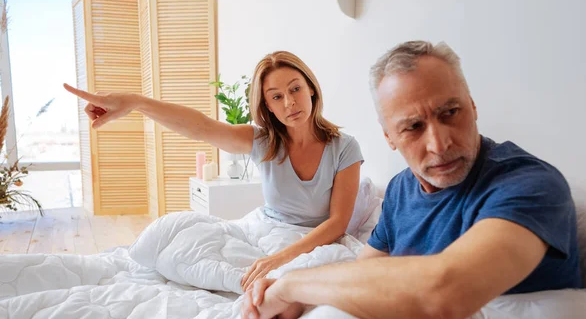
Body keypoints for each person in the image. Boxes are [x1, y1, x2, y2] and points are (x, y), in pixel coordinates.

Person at [241, 40, 582, 319]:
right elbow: (365, 274)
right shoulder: (402, 190)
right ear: (388, 137)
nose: (438, 143)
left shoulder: (529, 184)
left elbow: (446, 291)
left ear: (473, 106)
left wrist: (291, 286)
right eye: (413, 127)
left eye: (450, 112)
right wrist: (301, 304)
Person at [64, 50, 363, 292]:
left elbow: (338, 222)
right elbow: (201, 127)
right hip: (263, 230)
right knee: (174, 244)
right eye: (276, 96)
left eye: (295, 88)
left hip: (311, 241)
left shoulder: (344, 147)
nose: (290, 102)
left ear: (310, 87)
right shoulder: (263, 141)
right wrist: (136, 102)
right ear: (268, 107)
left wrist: (278, 259)